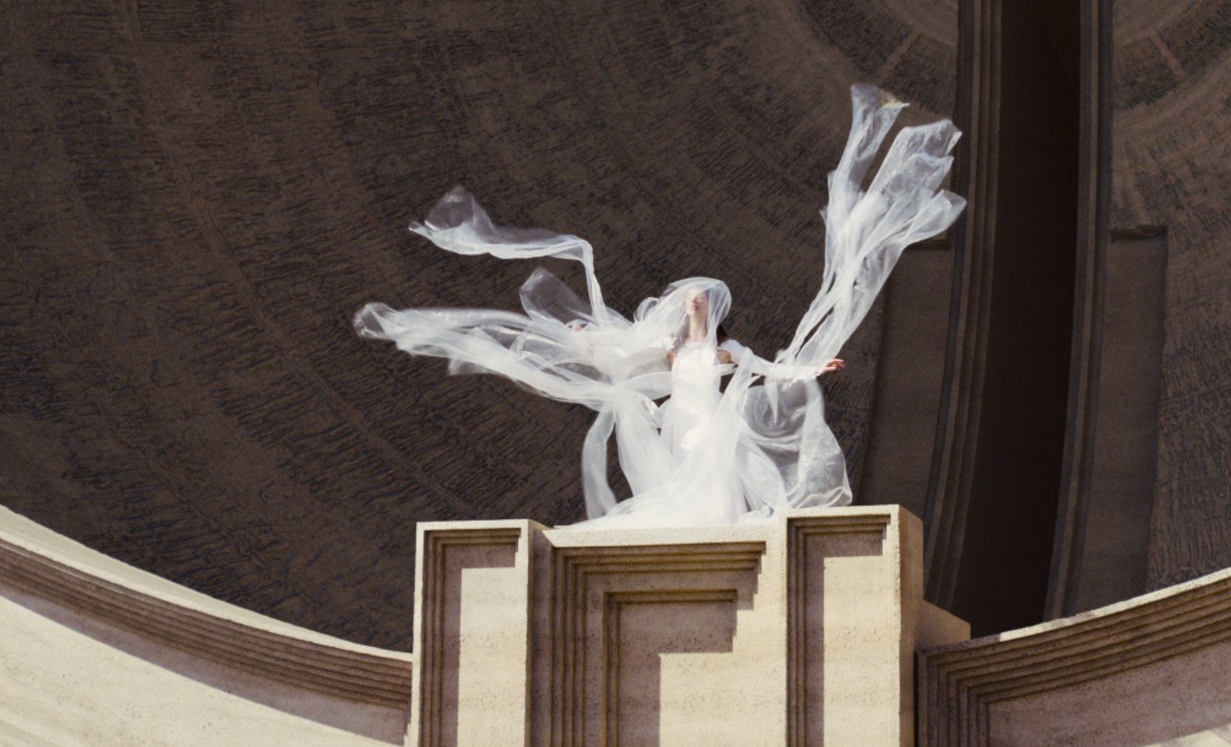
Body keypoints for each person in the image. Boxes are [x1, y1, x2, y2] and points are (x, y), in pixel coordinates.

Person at [355, 84, 963, 528]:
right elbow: (624, 355)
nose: (692, 302)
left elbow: (770, 370)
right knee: (681, 480)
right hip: (678, 422)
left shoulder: (726, 350)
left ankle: (718, 530)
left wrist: (813, 369)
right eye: (690, 298)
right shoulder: (669, 348)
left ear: (711, 312)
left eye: (701, 300)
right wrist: (583, 340)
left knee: (714, 479)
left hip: (710, 421)